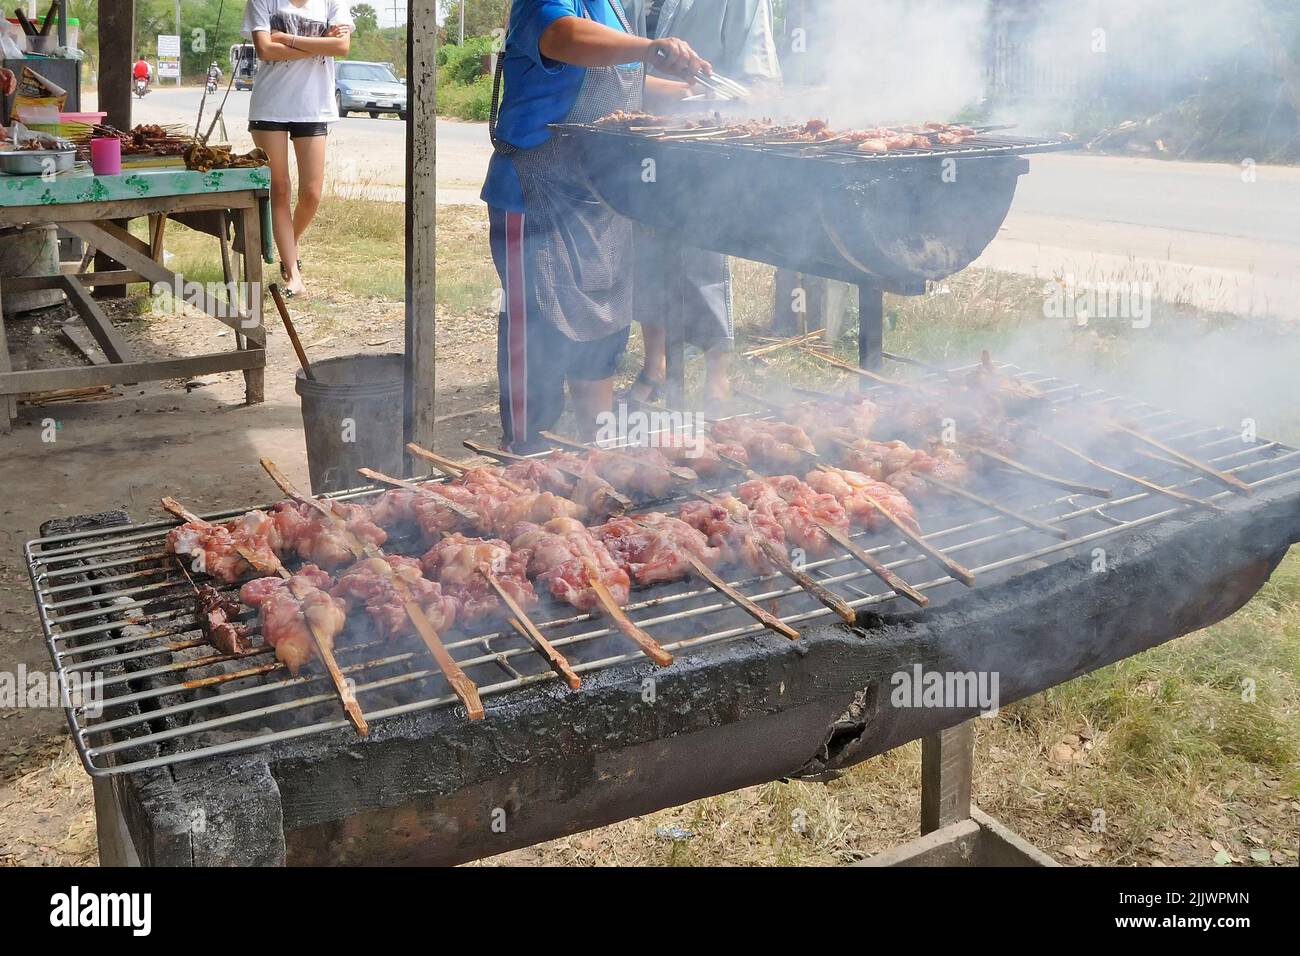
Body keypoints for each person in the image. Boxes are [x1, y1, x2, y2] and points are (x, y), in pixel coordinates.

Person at [483, 0, 710, 452]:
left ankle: (598, 457)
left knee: (603, 333)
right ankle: (525, 457)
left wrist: (692, 93)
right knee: (538, 339)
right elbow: (565, 39)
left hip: (599, 198)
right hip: (534, 197)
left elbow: (617, 81)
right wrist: (650, 47)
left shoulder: (608, 6)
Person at [623, 0, 782, 408]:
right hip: (641, 133)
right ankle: (655, 367)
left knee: (703, 253)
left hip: (706, 138)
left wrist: (734, 111)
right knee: (644, 243)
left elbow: (759, 72)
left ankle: (717, 380)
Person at [241, 0, 354, 297]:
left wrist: (286, 39)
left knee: (312, 193)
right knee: (279, 189)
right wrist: (321, 43)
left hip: (313, 106)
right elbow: (265, 50)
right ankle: (293, 274)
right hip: (270, 106)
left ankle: (288, 242)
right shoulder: (262, 1)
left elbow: (342, 48)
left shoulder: (333, 2)